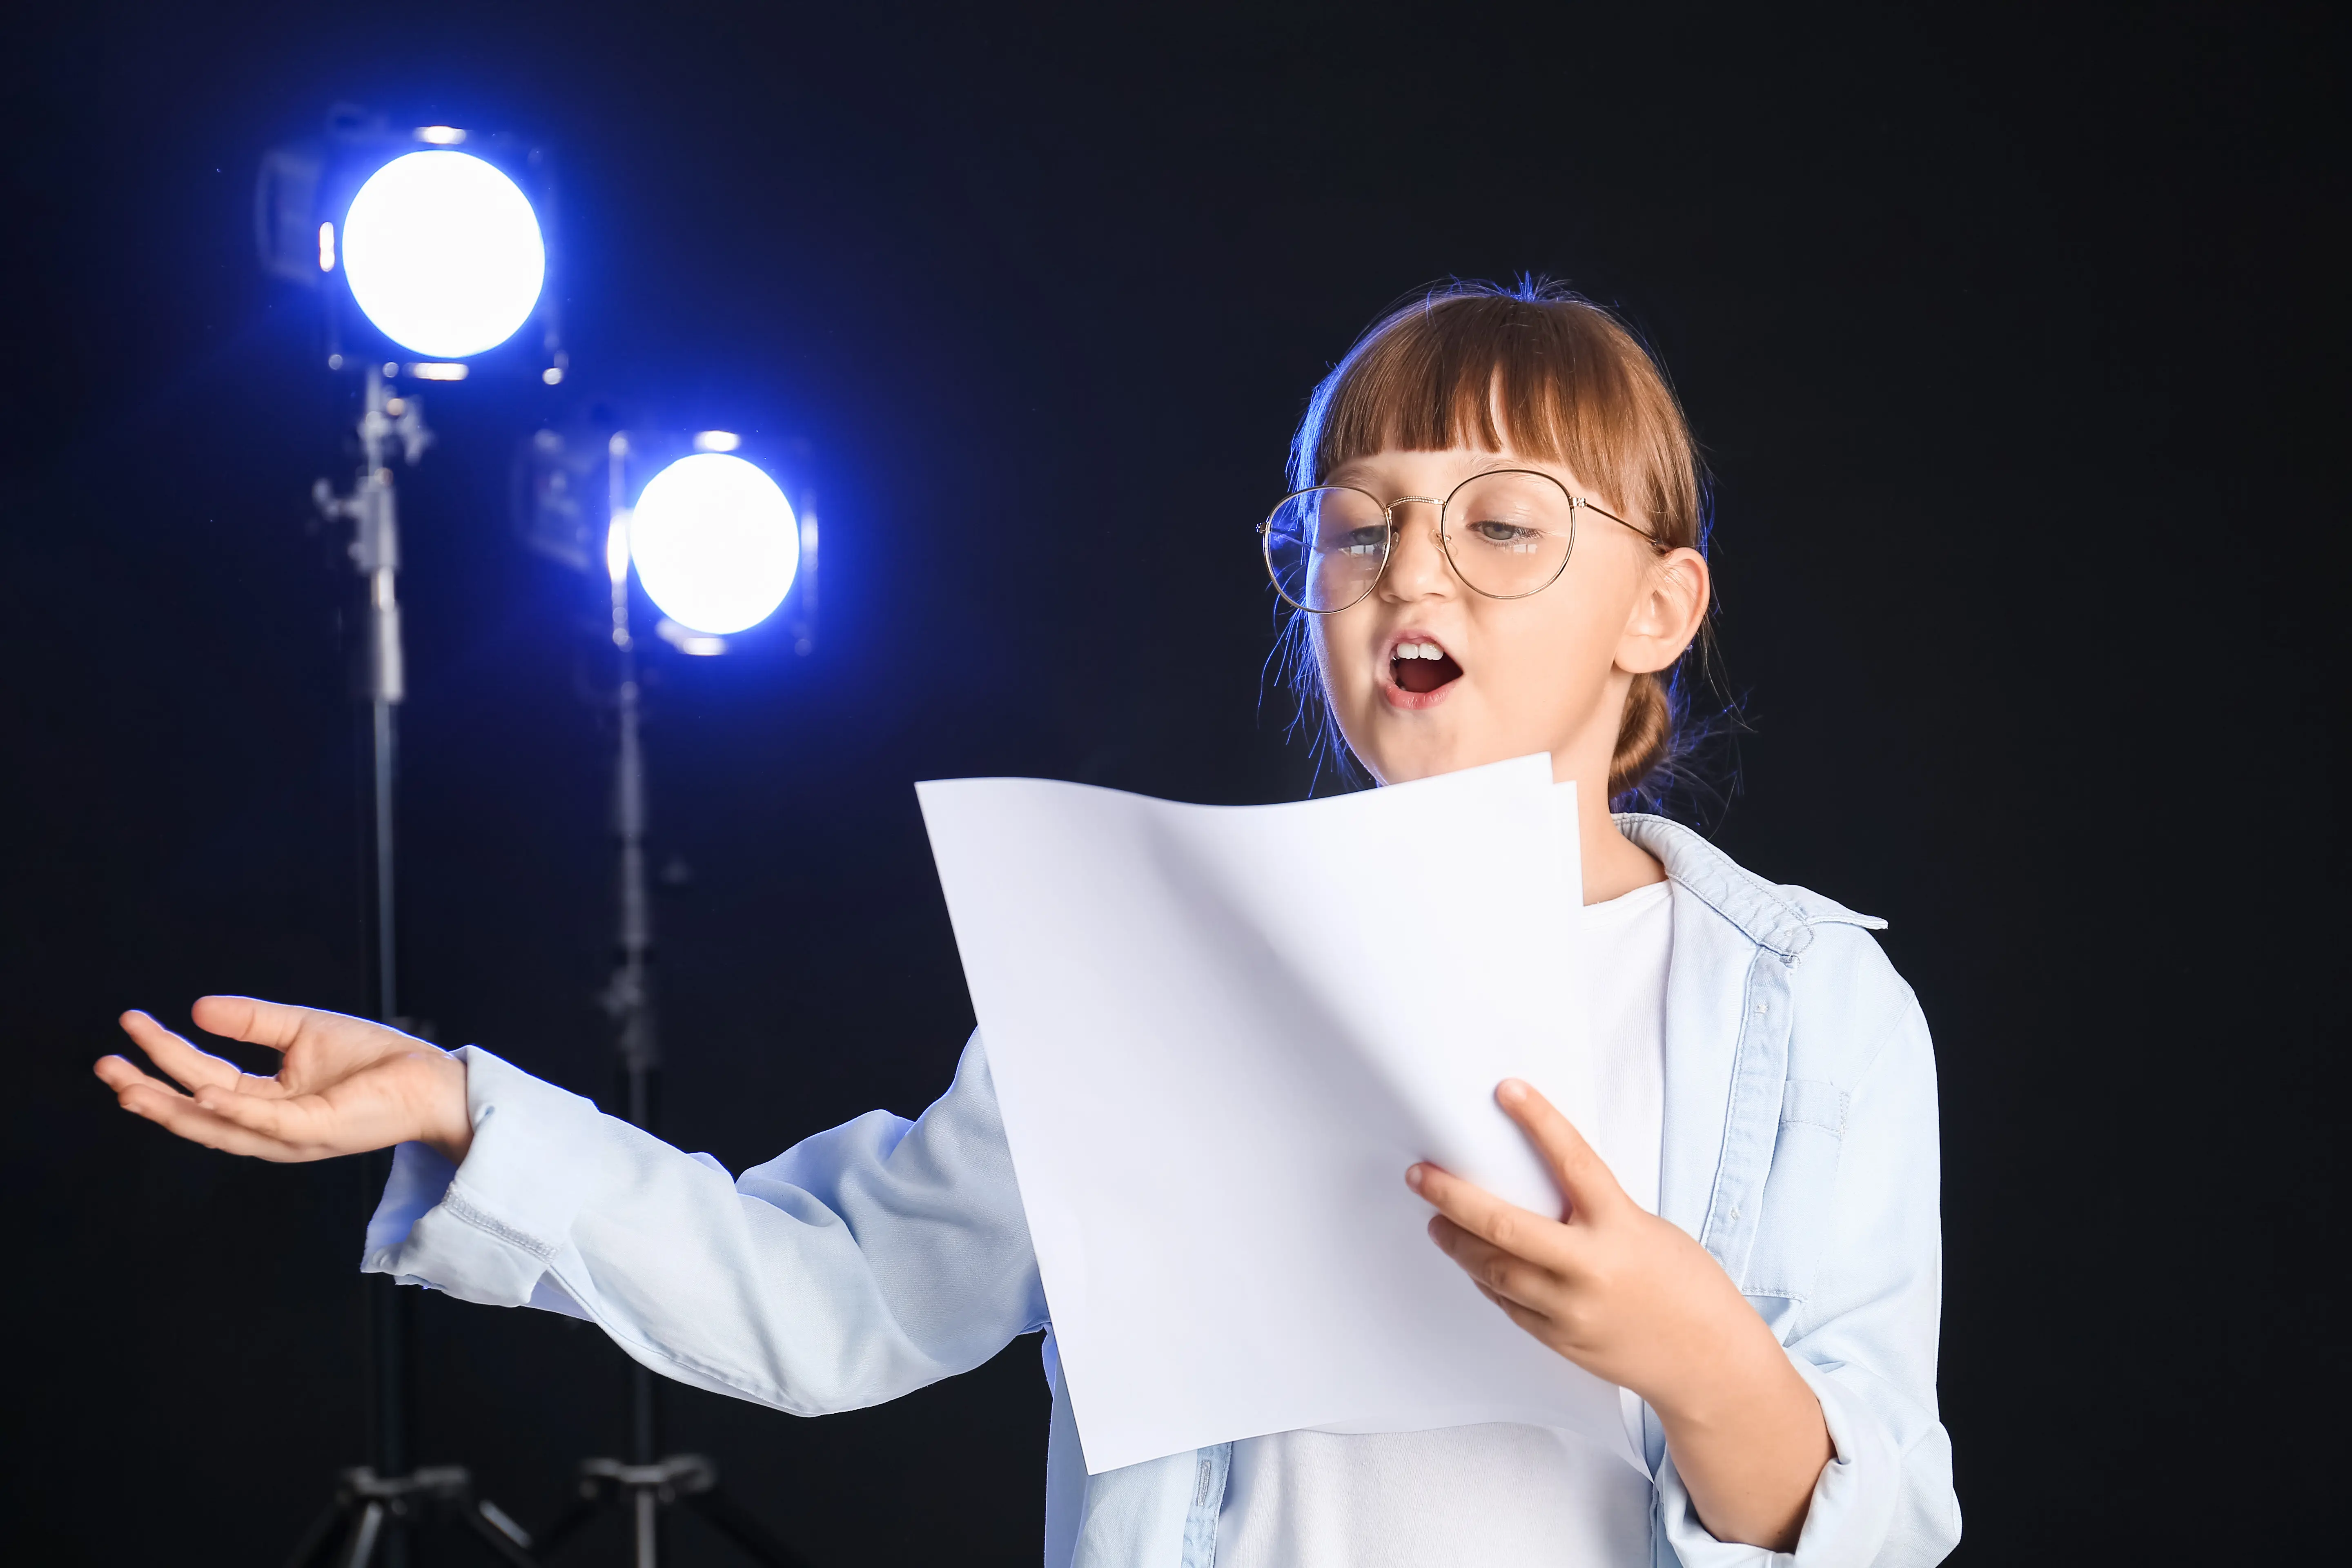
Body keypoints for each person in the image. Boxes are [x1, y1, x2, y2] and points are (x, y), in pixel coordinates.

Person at [96, 281, 1960, 1567]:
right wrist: (463, 1108)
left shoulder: (1810, 1010)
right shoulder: (1158, 971)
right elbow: (840, 1301)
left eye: (1502, 524)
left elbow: (1875, 1525)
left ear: (1659, 608)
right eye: (1358, 523)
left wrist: (1695, 1349)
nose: (1411, 567)